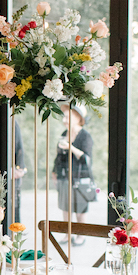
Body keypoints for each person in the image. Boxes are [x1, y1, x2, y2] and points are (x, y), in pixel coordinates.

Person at [53, 102, 94, 244]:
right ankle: (67, 234)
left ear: (78, 117)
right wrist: (54, 173)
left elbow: (87, 158)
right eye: (64, 118)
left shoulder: (85, 136)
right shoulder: (64, 134)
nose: (64, 121)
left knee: (80, 207)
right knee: (65, 206)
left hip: (80, 177)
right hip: (64, 176)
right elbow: (58, 157)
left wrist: (71, 147)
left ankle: (80, 235)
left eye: (67, 117)